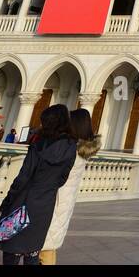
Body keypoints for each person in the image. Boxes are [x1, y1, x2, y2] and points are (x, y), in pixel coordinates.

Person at [0, 105, 77, 265]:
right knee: (32, 250)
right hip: (45, 203)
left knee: (12, 248)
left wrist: (8, 200)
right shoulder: (71, 147)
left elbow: (23, 177)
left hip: (23, 200)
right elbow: (63, 178)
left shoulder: (39, 145)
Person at [40, 109, 100, 264]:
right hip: (62, 203)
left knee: (44, 249)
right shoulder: (81, 151)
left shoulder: (68, 150)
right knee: (47, 248)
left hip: (54, 202)